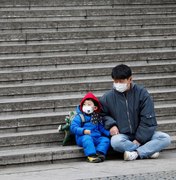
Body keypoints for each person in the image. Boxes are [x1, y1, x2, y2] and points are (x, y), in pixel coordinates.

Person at [100, 64, 171, 161]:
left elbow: (148, 118)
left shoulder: (142, 93)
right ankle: (147, 151)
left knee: (165, 138)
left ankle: (136, 153)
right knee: (115, 142)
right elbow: (103, 114)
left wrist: (139, 139)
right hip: (123, 135)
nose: (118, 84)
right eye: (115, 81)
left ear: (130, 79)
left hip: (143, 134)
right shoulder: (108, 97)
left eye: (121, 81)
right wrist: (111, 125)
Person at [70, 92, 110, 163]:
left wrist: (109, 133)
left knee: (105, 140)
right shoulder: (80, 117)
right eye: (84, 104)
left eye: (89, 104)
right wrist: (83, 131)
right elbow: (73, 127)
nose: (86, 106)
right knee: (87, 139)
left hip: (96, 137)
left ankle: (99, 153)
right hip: (82, 137)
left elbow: (101, 128)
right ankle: (91, 155)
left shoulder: (96, 117)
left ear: (95, 108)